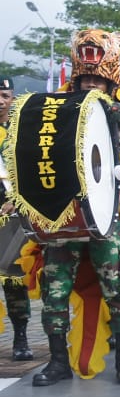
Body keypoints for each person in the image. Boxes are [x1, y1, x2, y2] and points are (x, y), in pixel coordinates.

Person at [15, 30, 120, 386]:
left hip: (106, 218)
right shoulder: (55, 111)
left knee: (117, 288)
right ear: (76, 78)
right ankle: (58, 362)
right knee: (54, 292)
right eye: (85, 78)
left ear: (110, 81)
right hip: (60, 216)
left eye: (98, 79)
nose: (91, 84)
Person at [0, 77, 32, 362]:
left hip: (11, 213)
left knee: (12, 276)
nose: (0, 101)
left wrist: (18, 199)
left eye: (5, 95)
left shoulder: (23, 130)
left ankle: (20, 336)